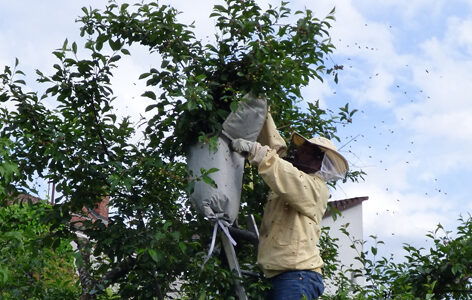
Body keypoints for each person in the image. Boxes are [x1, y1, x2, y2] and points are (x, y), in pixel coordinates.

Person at [231, 114, 349, 300]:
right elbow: (275, 150)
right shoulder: (294, 174)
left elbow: (278, 167)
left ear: (318, 159)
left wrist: (255, 150)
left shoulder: (316, 188)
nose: (298, 151)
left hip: (297, 276)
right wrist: (263, 111)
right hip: (281, 275)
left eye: (305, 150)